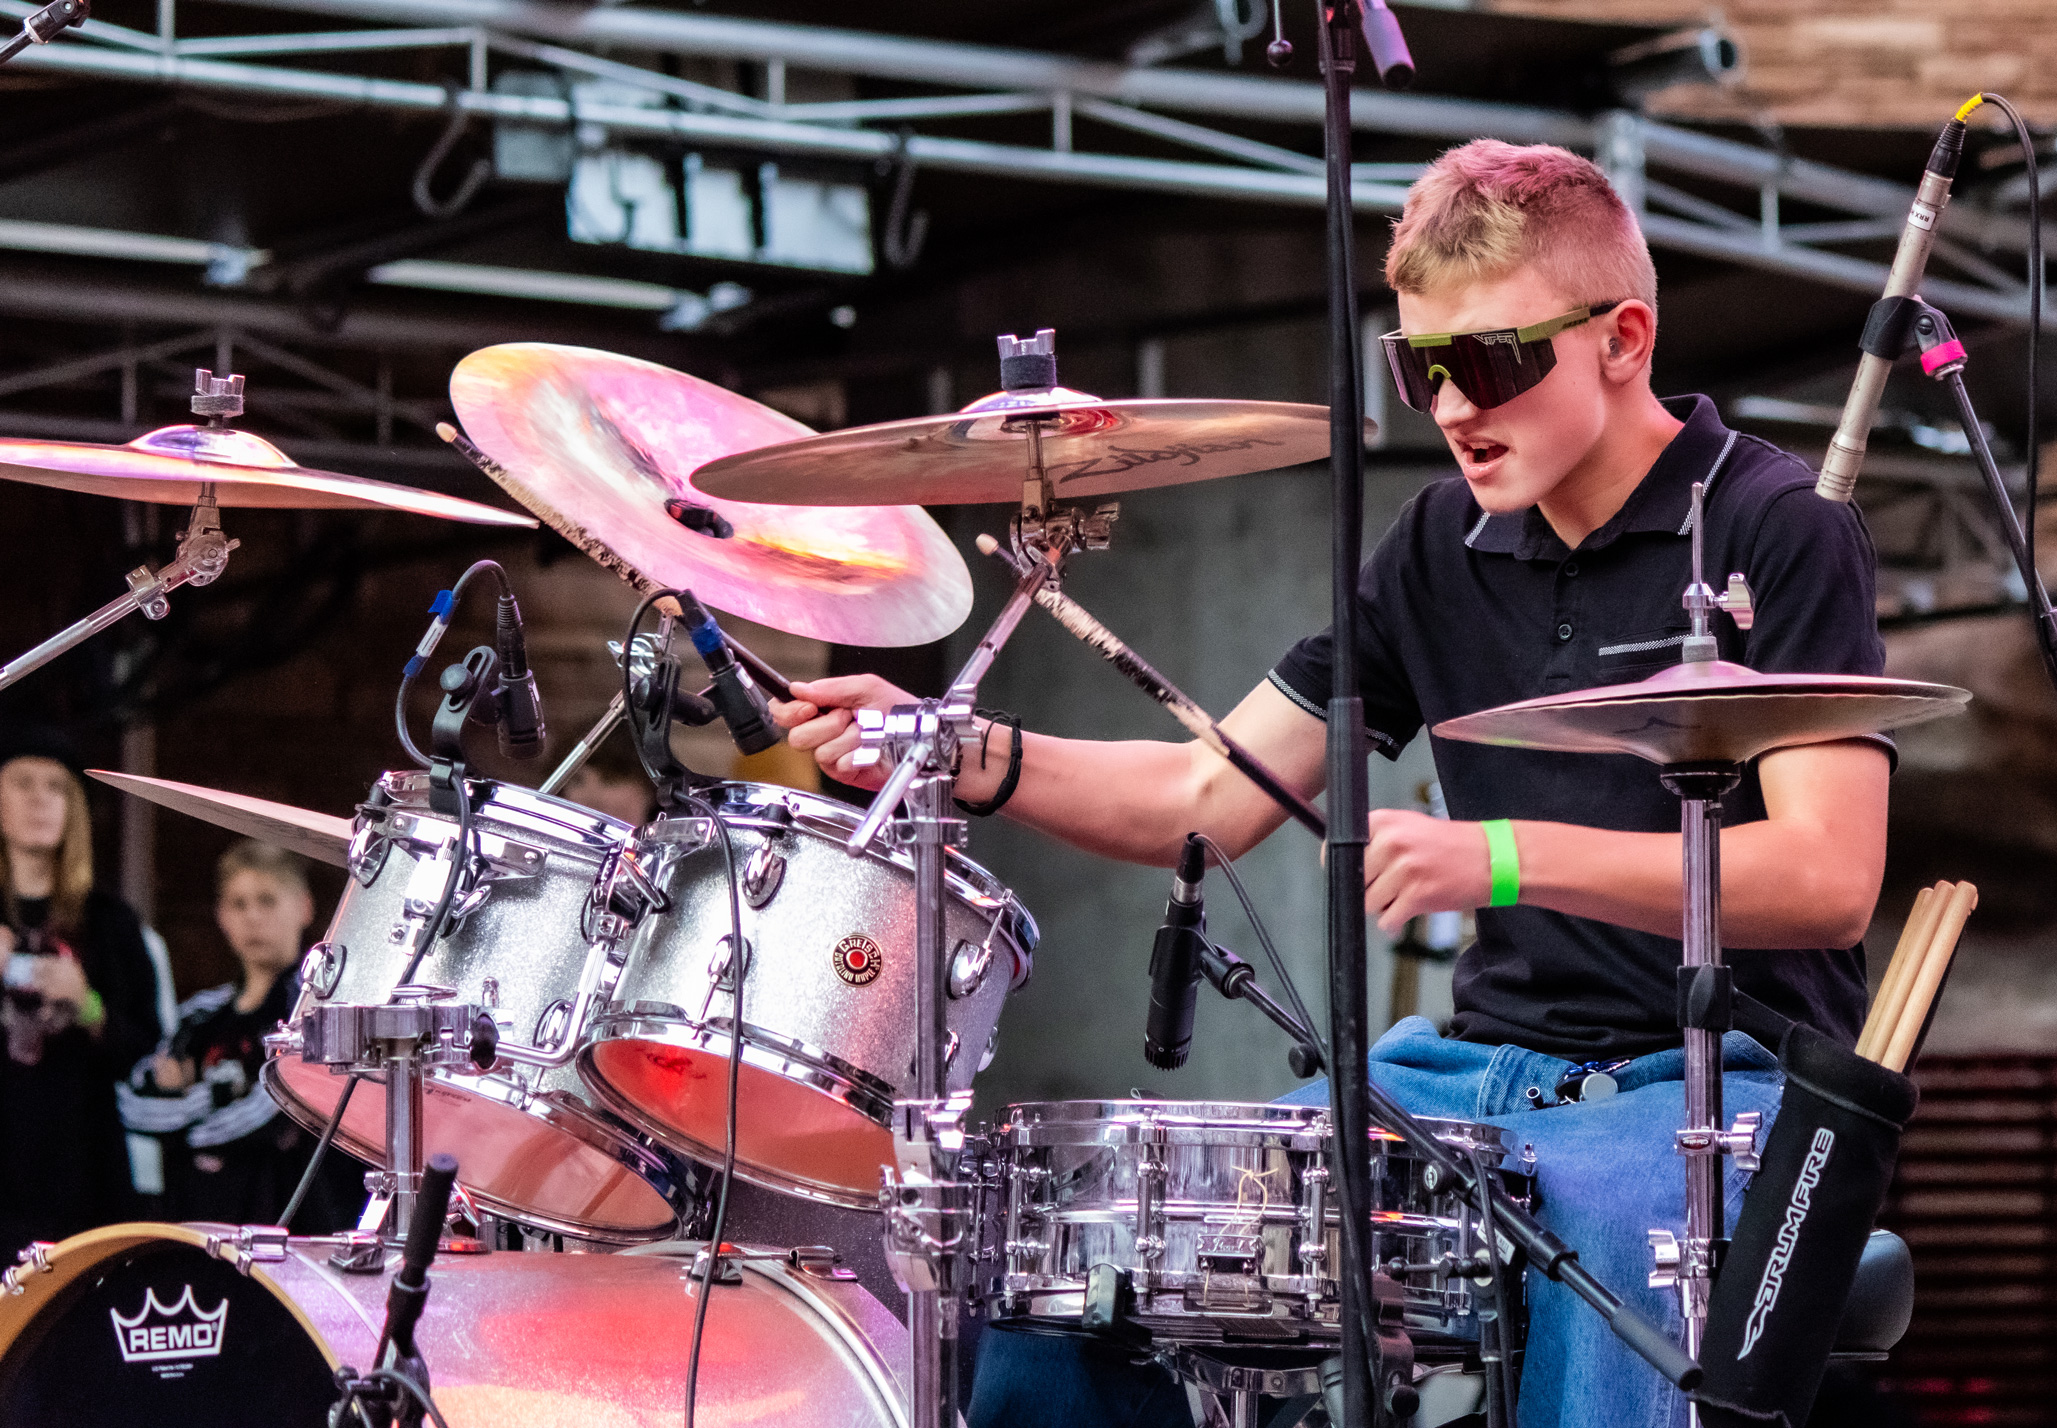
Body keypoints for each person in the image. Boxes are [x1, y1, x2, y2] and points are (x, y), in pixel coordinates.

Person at [772, 139, 1890, 1428]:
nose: (1453, 407)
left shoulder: (1770, 524)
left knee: (1613, 1305)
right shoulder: (1437, 545)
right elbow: (1210, 792)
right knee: (1097, 1250)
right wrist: (957, 748)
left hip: (1707, 1089)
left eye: (1490, 361)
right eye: (1420, 370)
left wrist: (1501, 860)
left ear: (1622, 339)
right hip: (1464, 1079)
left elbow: (1825, 880)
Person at [119, 839, 362, 1230]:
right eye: (238, 903)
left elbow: (279, 1111)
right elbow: (133, 1105)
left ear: (303, 907)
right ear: (221, 916)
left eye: (267, 901)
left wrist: (186, 1115)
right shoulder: (200, 1014)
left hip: (296, 1230)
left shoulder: (321, 1010)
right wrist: (223, 1099)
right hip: (202, 1229)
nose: (252, 917)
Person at [0, 725, 162, 1256]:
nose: (39, 800)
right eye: (22, 783)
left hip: (81, 1168)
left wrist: (88, 1003)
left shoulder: (110, 922)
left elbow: (148, 1052)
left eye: (56, 787)